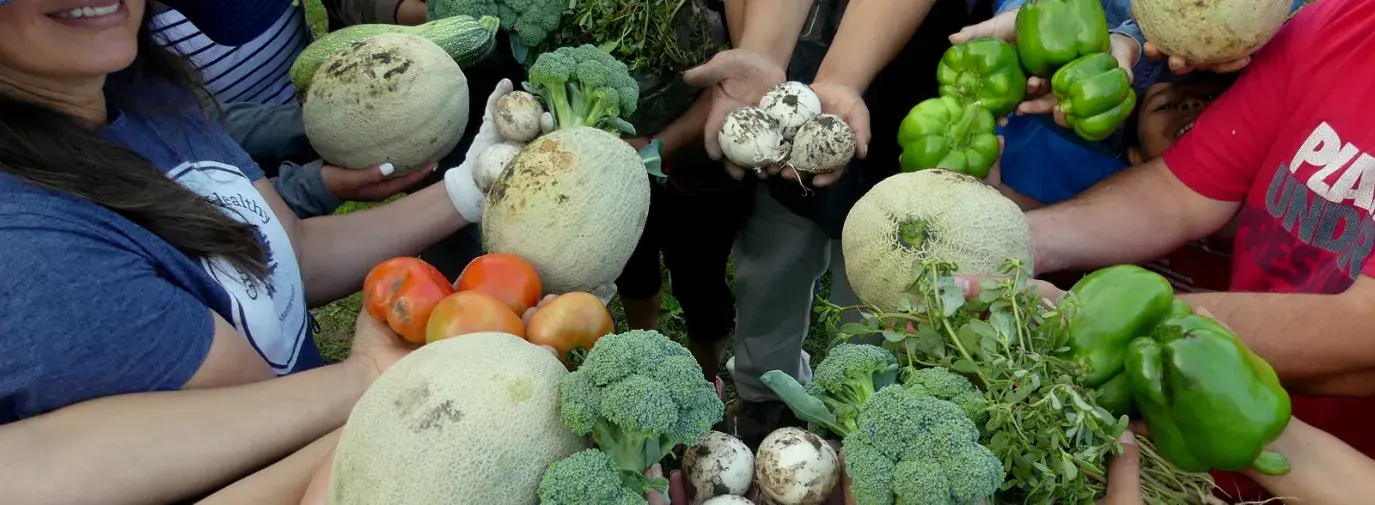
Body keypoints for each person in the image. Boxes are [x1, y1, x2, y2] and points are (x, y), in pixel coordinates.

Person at [0, 1, 500, 503]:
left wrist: (468, 189)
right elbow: (270, 425)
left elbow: (291, 254)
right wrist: (387, 389)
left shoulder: (142, 92)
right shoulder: (35, 259)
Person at [973, 0, 1375, 500]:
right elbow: (1180, 190)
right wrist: (1005, 243)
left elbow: (1365, 333)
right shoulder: (1337, 22)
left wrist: (1104, 317)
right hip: (1210, 457)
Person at [686, 0, 991, 448]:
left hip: (922, 91)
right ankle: (763, 394)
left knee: (883, 270)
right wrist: (764, 50)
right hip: (802, 69)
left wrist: (842, 78)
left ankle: (857, 404)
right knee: (773, 261)